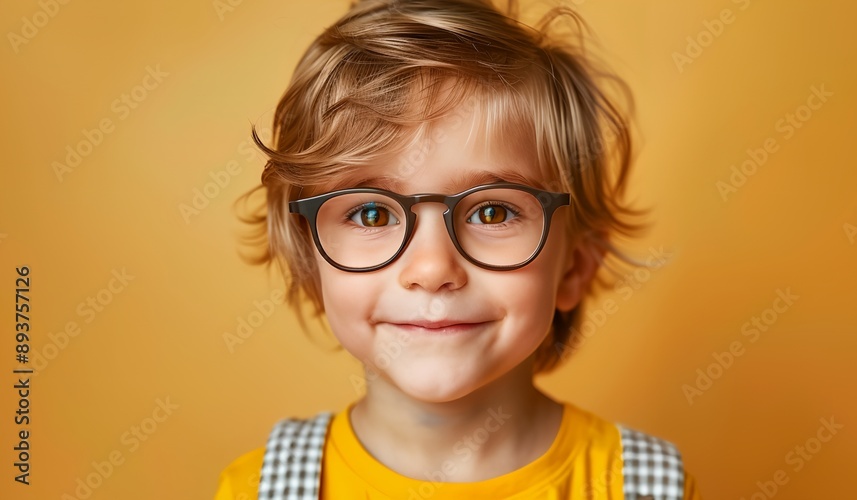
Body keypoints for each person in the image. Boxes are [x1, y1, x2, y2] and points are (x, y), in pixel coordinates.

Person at [215, 0, 701, 498]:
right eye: (372, 214)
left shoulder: (645, 486)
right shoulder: (255, 489)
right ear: (311, 262)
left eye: (492, 212)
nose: (431, 268)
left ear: (574, 265)